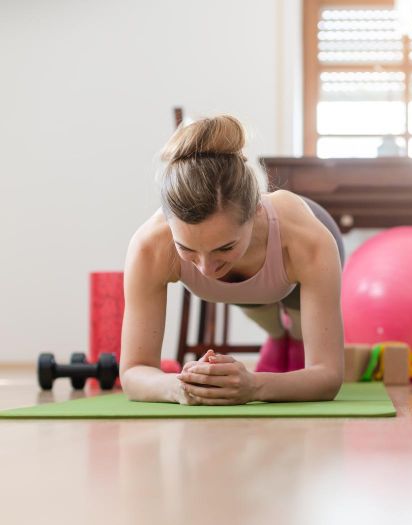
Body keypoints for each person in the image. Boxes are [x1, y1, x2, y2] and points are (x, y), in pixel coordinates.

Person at [120, 115, 345, 405]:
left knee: (299, 326)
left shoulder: (307, 240)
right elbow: (132, 372)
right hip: (252, 276)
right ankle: (277, 337)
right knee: (250, 296)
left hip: (300, 254)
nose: (205, 267)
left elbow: (327, 376)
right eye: (187, 249)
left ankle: (293, 338)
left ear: (256, 212)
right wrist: (182, 387)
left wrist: (254, 386)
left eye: (224, 247)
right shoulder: (149, 246)